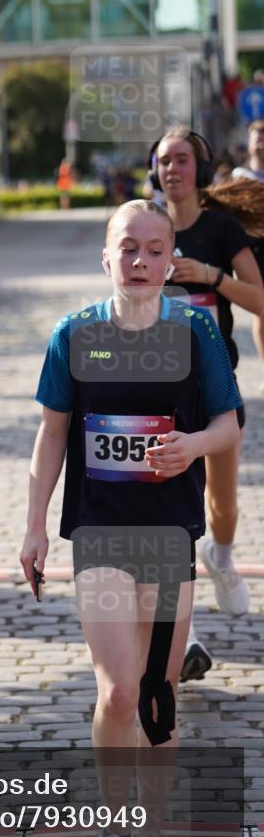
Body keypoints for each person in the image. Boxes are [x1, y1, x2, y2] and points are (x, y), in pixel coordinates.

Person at [21, 200, 241, 837]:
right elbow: (52, 434)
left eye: (154, 249)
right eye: (127, 248)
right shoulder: (74, 333)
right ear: (106, 258)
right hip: (100, 533)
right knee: (117, 691)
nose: (141, 261)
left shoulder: (195, 330)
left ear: (170, 256)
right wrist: (32, 526)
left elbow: (227, 422)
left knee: (158, 700)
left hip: (167, 534)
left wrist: (192, 447)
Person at [149, 127, 264, 681]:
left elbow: (261, 298)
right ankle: (184, 636)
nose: (172, 169)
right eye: (164, 161)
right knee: (175, 517)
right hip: (159, 393)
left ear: (201, 166)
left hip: (217, 389)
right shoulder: (147, 225)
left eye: (182, 159)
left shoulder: (219, 228)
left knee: (220, 508)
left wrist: (211, 278)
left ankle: (221, 556)